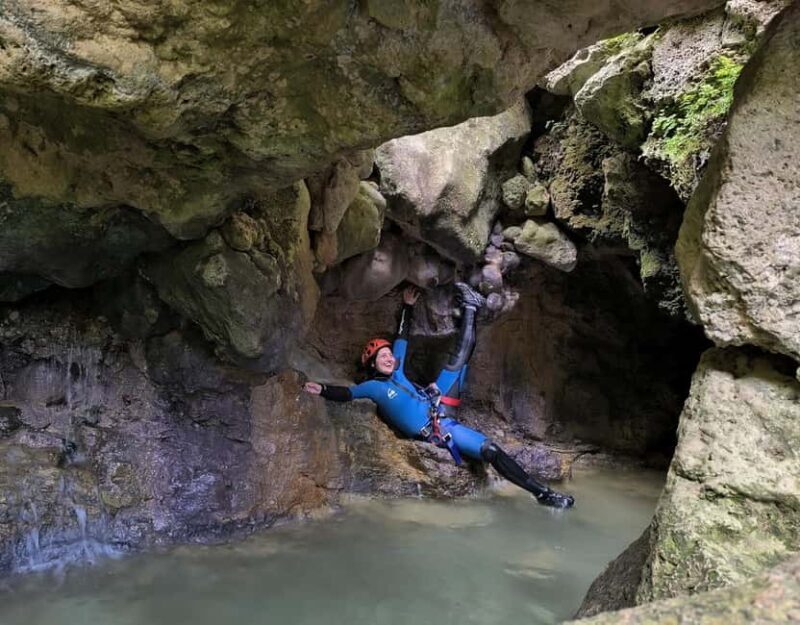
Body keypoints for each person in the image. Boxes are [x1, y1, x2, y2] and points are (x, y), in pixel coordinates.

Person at [303, 282, 574, 508]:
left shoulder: (398, 368)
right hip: (438, 427)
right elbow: (347, 394)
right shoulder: (373, 387)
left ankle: (470, 304)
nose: (387, 358)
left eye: (387, 354)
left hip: (439, 400)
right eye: (380, 357)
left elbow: (402, 335)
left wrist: (408, 306)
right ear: (372, 364)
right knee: (489, 449)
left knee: (460, 359)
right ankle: (543, 494)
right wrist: (323, 390)